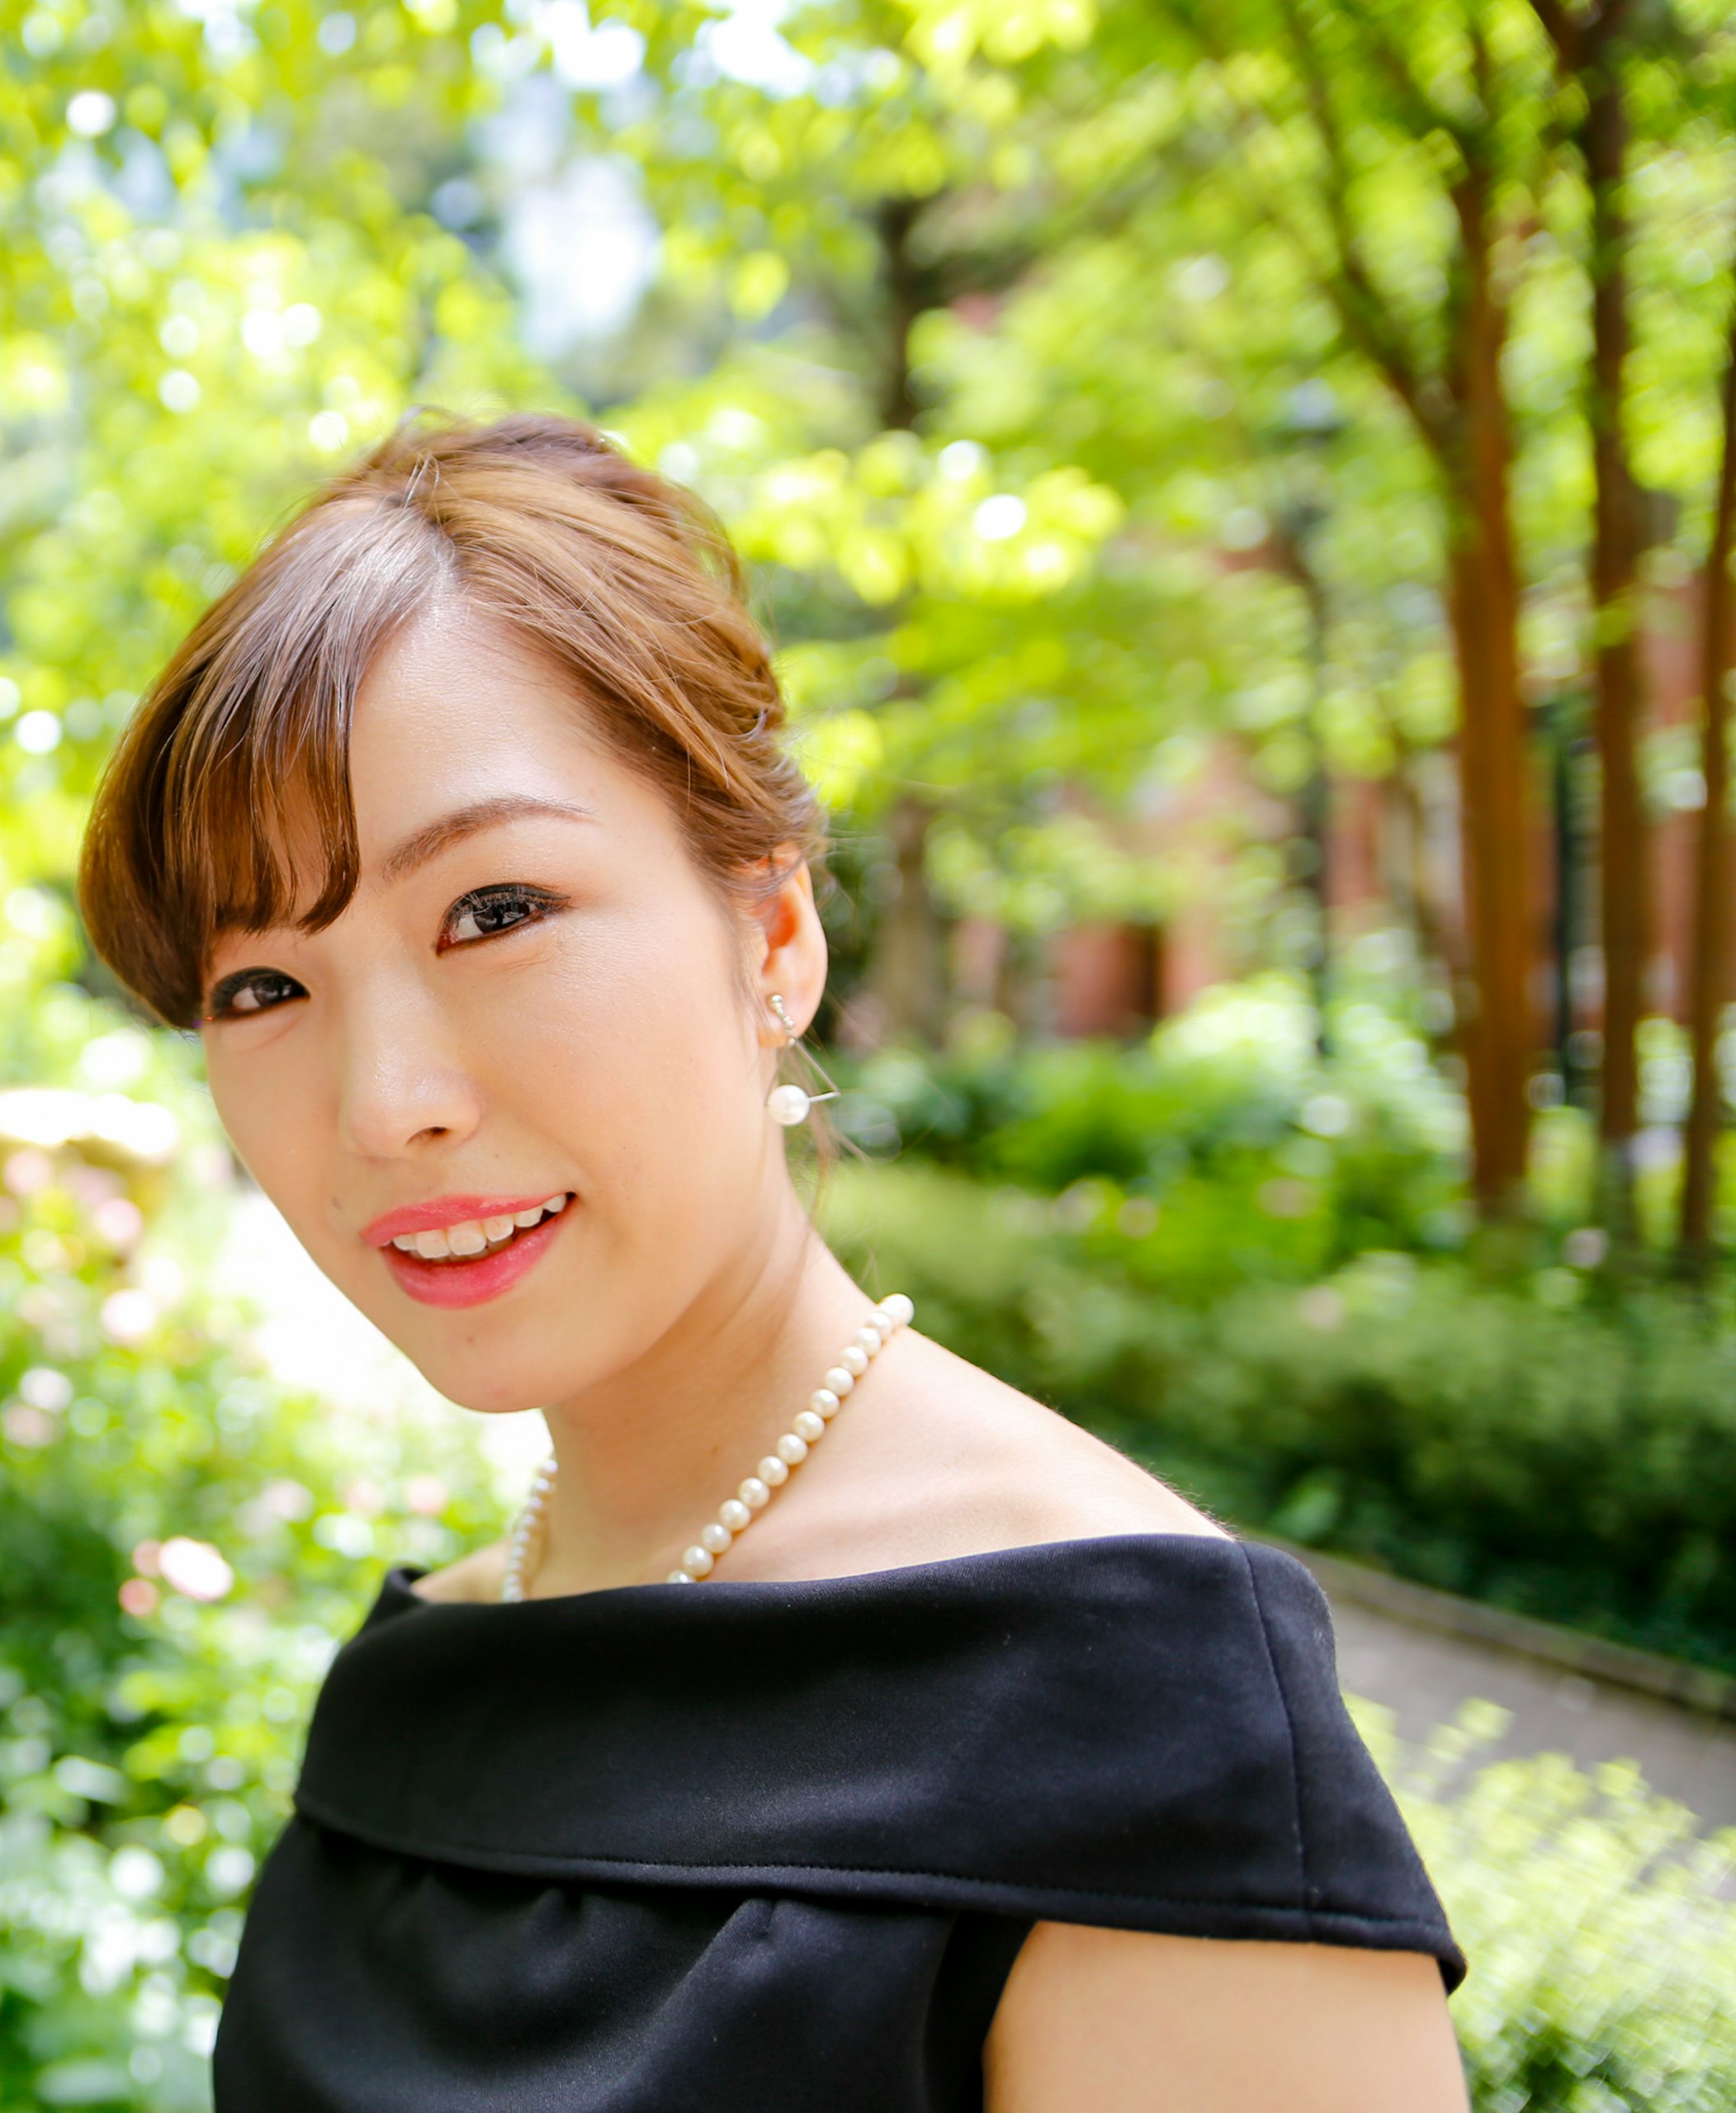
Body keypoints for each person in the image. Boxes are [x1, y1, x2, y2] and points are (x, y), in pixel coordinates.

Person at [75, 414, 1465, 2111]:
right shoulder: (423, 1672)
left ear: (775, 935)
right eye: (262, 987)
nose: (387, 1106)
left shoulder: (1137, 1711)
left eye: (497, 910)